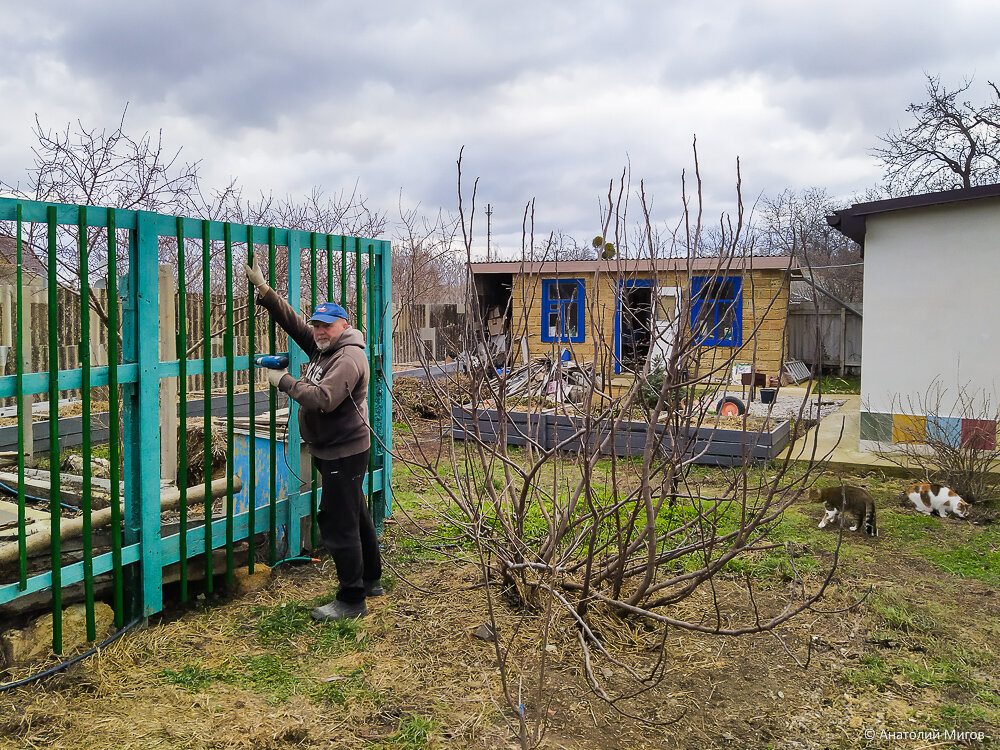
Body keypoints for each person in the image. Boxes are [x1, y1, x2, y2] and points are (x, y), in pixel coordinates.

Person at [245, 255, 383, 620]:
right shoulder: (326, 348)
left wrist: (284, 382)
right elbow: (293, 324)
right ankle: (371, 579)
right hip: (336, 449)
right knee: (356, 514)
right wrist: (264, 290)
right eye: (317, 325)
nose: (319, 331)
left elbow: (323, 399)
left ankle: (352, 599)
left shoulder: (348, 358)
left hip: (343, 452)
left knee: (339, 522)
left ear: (344, 325)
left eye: (327, 326)